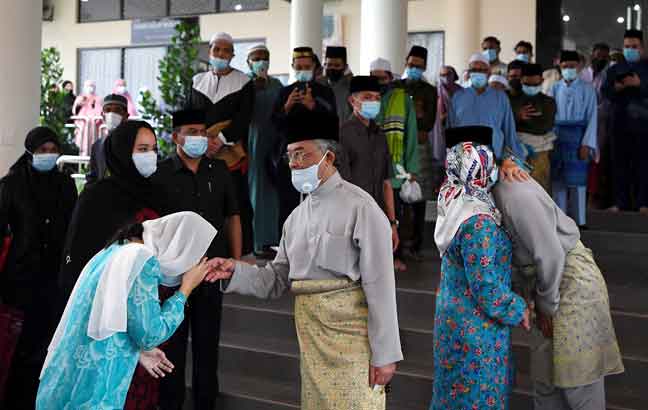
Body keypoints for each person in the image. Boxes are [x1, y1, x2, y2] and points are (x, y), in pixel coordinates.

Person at [206, 111, 403, 410]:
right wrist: (233, 272)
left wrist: (385, 354)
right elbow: (276, 279)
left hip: (353, 339)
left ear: (329, 157)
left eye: (302, 155)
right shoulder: (295, 219)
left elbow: (381, 285)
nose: (295, 164)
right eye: (290, 156)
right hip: (312, 338)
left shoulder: (362, 207)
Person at [36, 212, 217, 410]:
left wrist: (139, 351)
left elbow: (107, 318)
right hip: (94, 387)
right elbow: (150, 334)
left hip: (68, 376)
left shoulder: (117, 248)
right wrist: (186, 289)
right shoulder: (142, 260)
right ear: (180, 245)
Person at [493, 178, 624, 410]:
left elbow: (551, 254)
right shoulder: (482, 196)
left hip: (570, 282)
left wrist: (545, 306)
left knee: (579, 384)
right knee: (545, 384)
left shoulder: (514, 194)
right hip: (543, 286)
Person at [431, 126, 529, 410]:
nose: (496, 167)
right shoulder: (479, 222)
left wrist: (512, 163)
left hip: (453, 314)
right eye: (490, 161)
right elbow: (486, 286)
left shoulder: (454, 196)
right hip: (476, 329)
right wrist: (518, 308)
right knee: (475, 398)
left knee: (453, 396)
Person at [153, 109, 242, 410]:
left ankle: (206, 404)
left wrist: (237, 261)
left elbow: (233, 217)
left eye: (203, 132)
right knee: (172, 349)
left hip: (210, 272)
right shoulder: (160, 173)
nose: (199, 138)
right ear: (176, 136)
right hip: (171, 278)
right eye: (191, 131)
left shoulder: (218, 171)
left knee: (207, 348)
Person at [0, 127, 77, 409]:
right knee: (19, 348)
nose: (48, 155)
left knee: (49, 346)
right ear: (30, 150)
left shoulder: (65, 184)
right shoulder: (12, 184)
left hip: (54, 279)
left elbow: (73, 230)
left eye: (52, 150)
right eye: (42, 150)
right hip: (21, 278)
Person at [272, 46, 338, 232]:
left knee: (321, 205)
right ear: (292, 66)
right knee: (288, 207)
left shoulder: (325, 92)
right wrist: (287, 106)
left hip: (317, 157)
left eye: (306, 66)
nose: (302, 70)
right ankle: (287, 250)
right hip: (290, 159)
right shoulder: (285, 92)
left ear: (315, 67)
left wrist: (313, 106)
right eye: (299, 66)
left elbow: (332, 125)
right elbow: (274, 125)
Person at [370, 57, 419, 272]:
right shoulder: (368, 98)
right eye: (375, 77)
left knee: (394, 215)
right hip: (371, 165)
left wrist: (412, 168)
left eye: (383, 77)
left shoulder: (402, 98)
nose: (379, 81)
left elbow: (411, 134)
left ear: (391, 78)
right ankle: (372, 257)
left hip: (396, 167)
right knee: (371, 213)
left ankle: (394, 256)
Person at [338, 75, 398, 251]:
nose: (373, 102)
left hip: (378, 217)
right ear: (352, 100)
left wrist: (392, 223)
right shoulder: (342, 134)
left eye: (377, 98)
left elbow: (386, 183)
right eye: (366, 97)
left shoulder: (380, 135)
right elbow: (341, 186)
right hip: (351, 219)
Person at [449, 53, 528, 169]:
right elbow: (450, 129)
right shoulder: (458, 97)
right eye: (474, 69)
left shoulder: (500, 97)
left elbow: (509, 130)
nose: (478, 72)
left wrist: (517, 159)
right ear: (469, 73)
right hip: (463, 159)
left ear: (489, 72)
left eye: (482, 70)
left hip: (493, 159)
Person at [549, 50, 598, 228]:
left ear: (579, 67)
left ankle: (580, 220)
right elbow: (549, 116)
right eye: (565, 66)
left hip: (578, 137)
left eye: (572, 66)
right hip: (558, 137)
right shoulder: (554, 88)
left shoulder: (588, 89)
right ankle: (560, 220)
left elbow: (592, 117)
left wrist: (587, 144)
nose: (568, 69)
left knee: (578, 181)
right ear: (559, 67)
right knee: (558, 181)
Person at [399, 45, 439, 260]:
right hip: (398, 146)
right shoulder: (397, 87)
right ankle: (398, 243)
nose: (415, 69)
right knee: (399, 196)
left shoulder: (429, 90)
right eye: (412, 65)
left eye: (419, 66)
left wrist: (415, 117)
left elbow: (428, 123)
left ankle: (416, 245)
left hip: (419, 148)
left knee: (419, 196)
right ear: (406, 62)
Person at [603, 29, 648, 213]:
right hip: (619, 125)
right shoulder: (614, 69)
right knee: (619, 166)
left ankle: (643, 203)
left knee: (643, 166)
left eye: (634, 47)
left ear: (642, 48)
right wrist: (619, 87)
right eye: (627, 47)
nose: (630, 50)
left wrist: (640, 85)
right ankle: (621, 202)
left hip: (643, 126)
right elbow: (606, 92)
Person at [246, 44, 282, 255]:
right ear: (248, 62)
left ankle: (270, 240)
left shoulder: (277, 85)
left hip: (274, 144)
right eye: (256, 58)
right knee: (255, 191)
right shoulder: (245, 85)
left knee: (272, 191)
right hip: (253, 143)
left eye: (265, 57)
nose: (261, 61)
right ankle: (256, 241)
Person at [189, 32, 254, 144]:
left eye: (226, 50)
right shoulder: (197, 81)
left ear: (232, 56)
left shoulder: (244, 81)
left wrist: (219, 140)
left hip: (230, 148)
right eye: (216, 49)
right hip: (199, 145)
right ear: (209, 52)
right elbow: (188, 113)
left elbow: (244, 118)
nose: (221, 54)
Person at [509, 63, 557, 192]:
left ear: (541, 81)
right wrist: (517, 116)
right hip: (514, 152)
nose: (531, 88)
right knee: (517, 190)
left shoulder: (548, 102)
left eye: (535, 85)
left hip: (540, 153)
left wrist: (519, 123)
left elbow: (544, 127)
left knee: (539, 190)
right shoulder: (510, 99)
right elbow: (504, 123)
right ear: (521, 81)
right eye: (527, 85)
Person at [86, 94, 130, 186]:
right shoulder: (97, 146)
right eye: (108, 110)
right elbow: (93, 178)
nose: (112, 114)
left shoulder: (136, 145)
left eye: (117, 110)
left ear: (126, 115)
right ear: (103, 116)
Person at [430, 65, 461, 164]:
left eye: (448, 74)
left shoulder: (462, 91)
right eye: (442, 75)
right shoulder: (436, 92)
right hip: (441, 130)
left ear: (454, 75)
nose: (446, 77)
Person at [318, 46, 353, 124]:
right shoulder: (318, 85)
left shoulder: (352, 87)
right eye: (329, 65)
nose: (332, 68)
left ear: (345, 67)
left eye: (337, 65)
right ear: (324, 65)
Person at [72, 80, 102, 155]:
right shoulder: (81, 97)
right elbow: (75, 110)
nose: (90, 88)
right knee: (84, 139)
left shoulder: (98, 98)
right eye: (88, 86)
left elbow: (100, 110)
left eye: (92, 86)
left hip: (95, 124)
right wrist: (81, 102)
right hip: (84, 123)